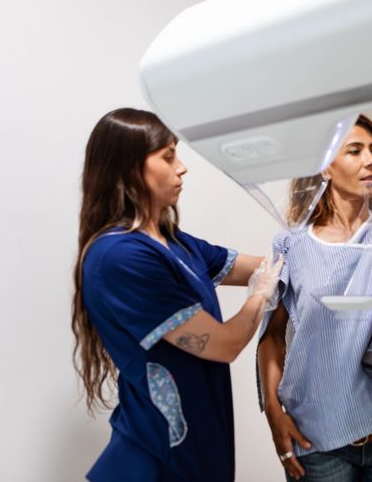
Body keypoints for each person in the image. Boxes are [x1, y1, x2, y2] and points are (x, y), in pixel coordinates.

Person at [72, 108, 282, 482]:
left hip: (197, 456)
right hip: (152, 463)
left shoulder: (175, 243)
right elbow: (224, 344)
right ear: (129, 167)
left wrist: (313, 246)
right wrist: (261, 295)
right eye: (168, 157)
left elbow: (258, 265)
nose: (181, 167)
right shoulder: (119, 257)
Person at [258, 114, 372, 481]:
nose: (371, 160)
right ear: (323, 168)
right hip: (318, 444)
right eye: (355, 151)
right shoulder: (292, 244)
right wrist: (274, 412)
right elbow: (271, 337)